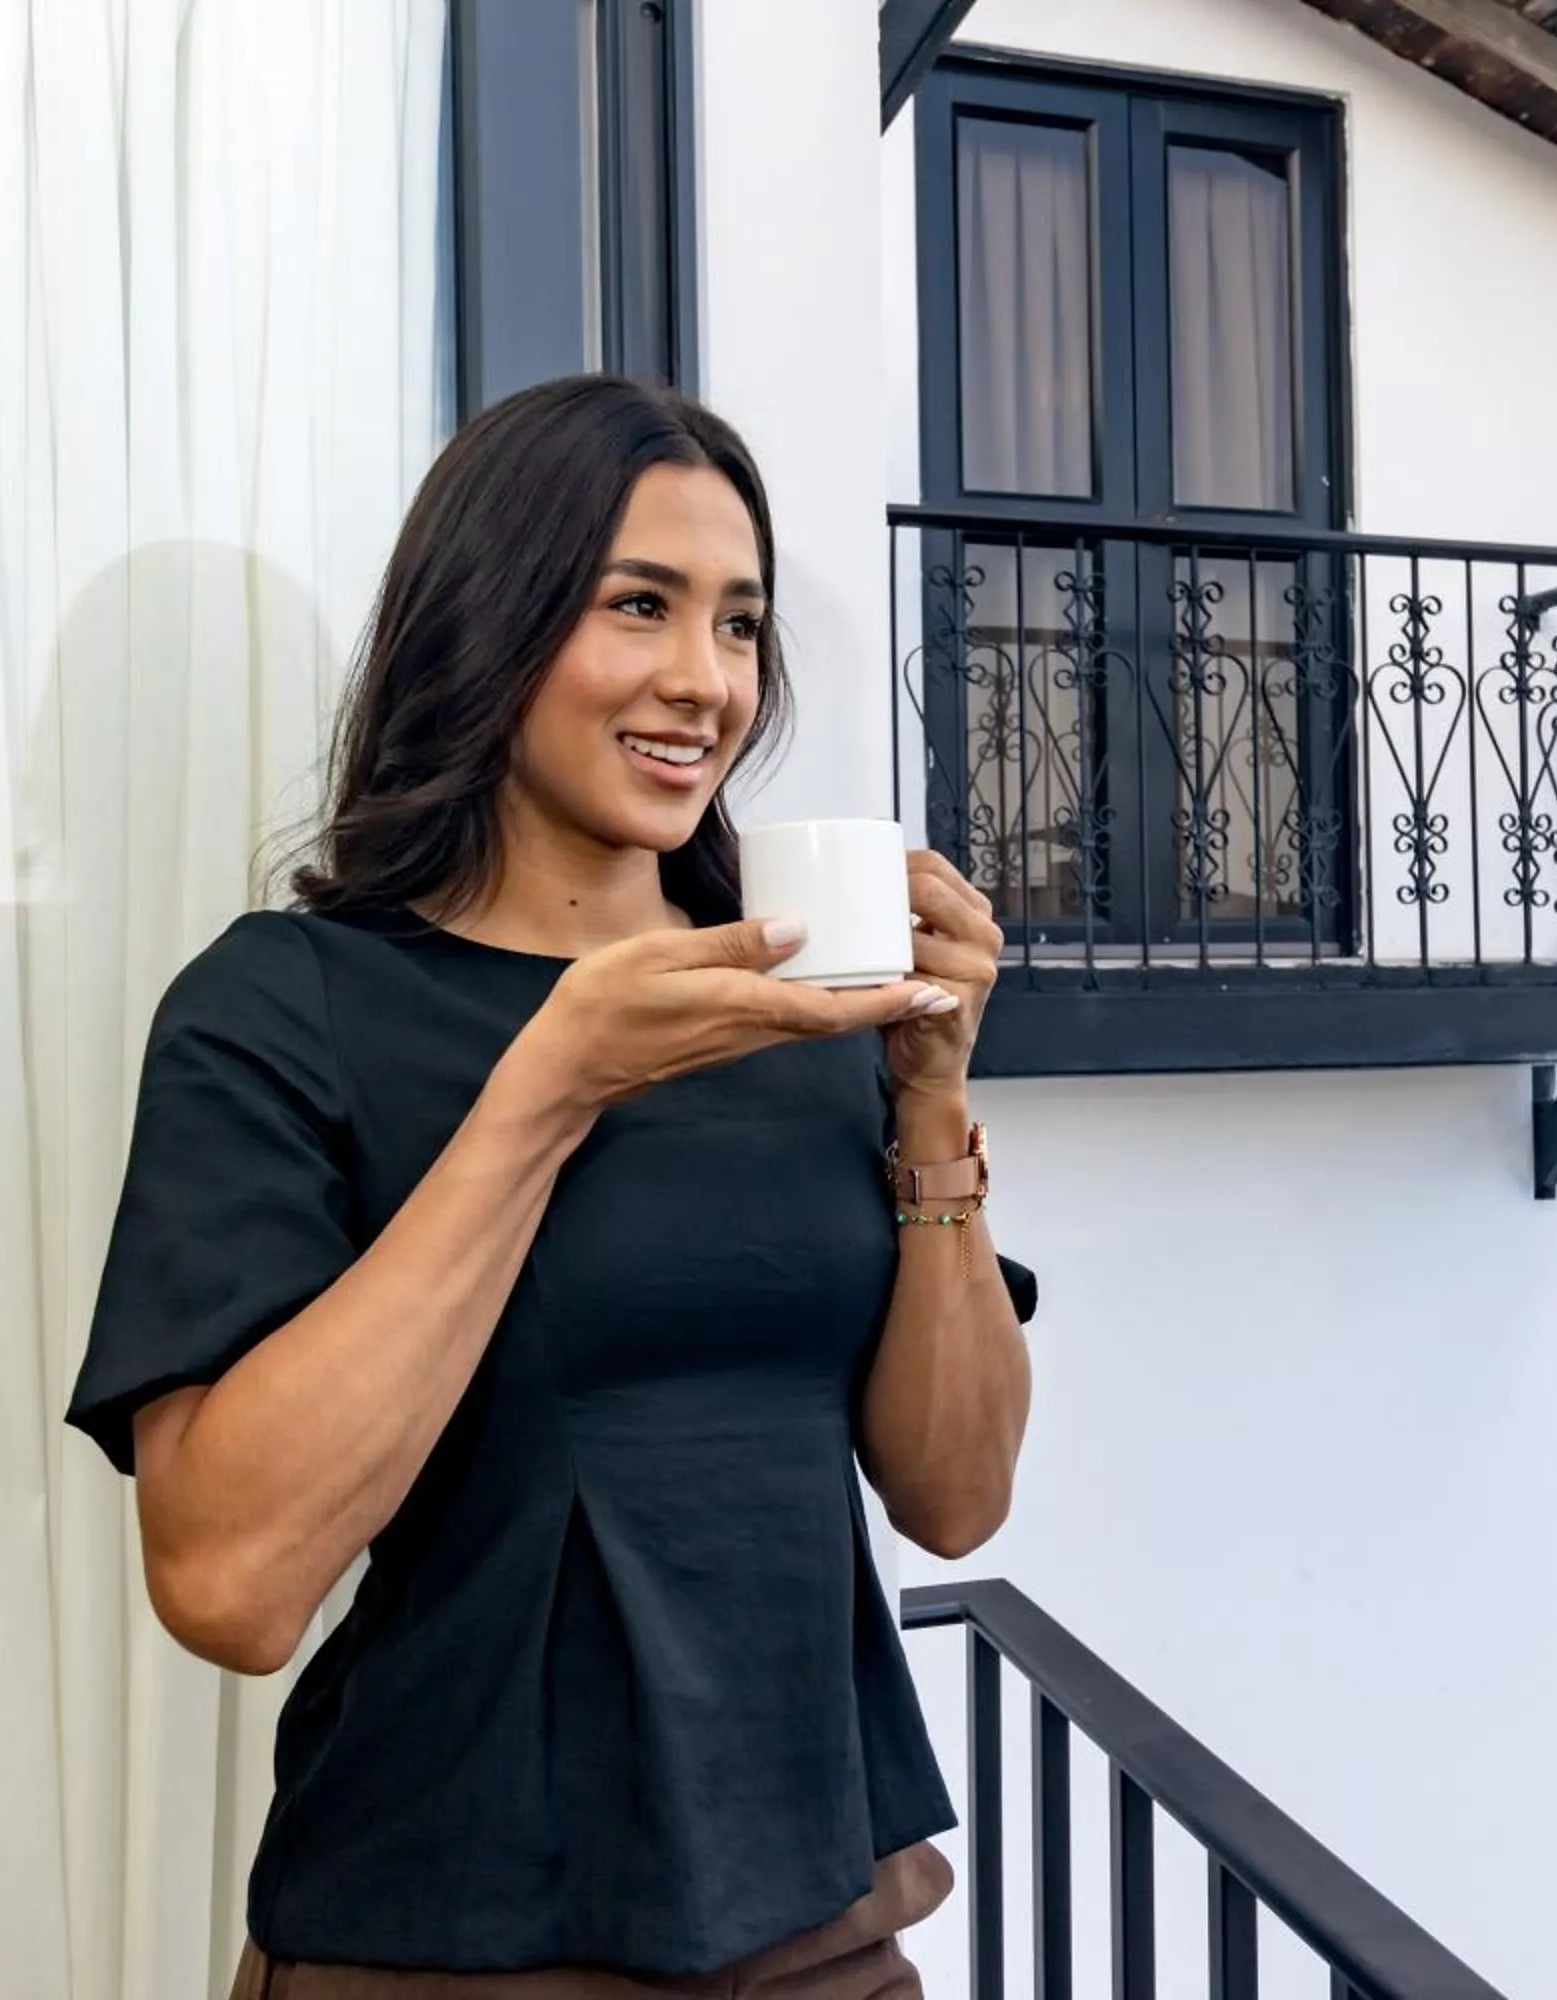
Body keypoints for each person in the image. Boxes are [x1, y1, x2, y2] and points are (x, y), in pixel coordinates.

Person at [64, 373, 1036, 1998]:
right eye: (636, 606)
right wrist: (548, 1085)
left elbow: (955, 1497)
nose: (701, 680)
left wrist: (932, 1101)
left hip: (824, 1933)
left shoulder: (801, 1008)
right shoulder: (283, 1002)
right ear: (492, 623)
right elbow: (229, 1585)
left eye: (739, 624)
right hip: (441, 1942)